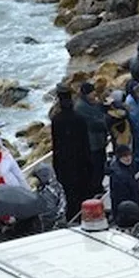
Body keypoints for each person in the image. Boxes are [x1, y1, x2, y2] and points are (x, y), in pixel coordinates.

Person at [51, 84, 93, 220]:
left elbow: (56, 146)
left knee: (69, 195)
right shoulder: (80, 119)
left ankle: (72, 219)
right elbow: (85, 143)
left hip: (65, 164)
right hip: (81, 163)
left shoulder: (56, 121)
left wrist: (56, 166)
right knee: (83, 192)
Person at [76, 82, 110, 193]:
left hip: (99, 141)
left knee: (101, 165)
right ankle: (95, 189)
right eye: (91, 92)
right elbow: (93, 124)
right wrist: (107, 120)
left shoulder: (93, 103)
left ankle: (99, 187)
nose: (94, 93)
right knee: (95, 168)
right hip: (92, 144)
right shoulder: (80, 107)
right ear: (86, 94)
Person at [108, 144, 139, 219]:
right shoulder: (120, 176)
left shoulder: (126, 168)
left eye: (129, 155)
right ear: (119, 157)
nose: (128, 158)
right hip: (127, 211)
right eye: (124, 156)